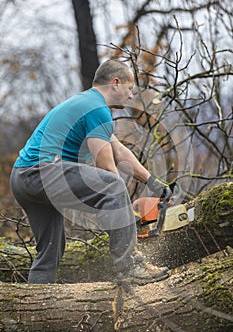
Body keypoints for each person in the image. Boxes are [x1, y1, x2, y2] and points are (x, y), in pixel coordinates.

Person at [10, 59, 172, 285]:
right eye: (129, 88)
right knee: (113, 186)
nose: (131, 95)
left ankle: (34, 304)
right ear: (115, 83)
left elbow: (120, 152)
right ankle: (129, 266)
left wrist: (153, 183)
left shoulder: (87, 104)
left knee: (51, 250)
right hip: (41, 173)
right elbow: (107, 170)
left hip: (22, 178)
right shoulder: (98, 110)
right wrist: (123, 214)